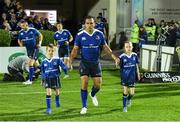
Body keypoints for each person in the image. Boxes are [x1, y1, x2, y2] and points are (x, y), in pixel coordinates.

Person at [69, 16, 118, 114]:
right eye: (87, 23)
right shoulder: (80, 35)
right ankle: (84, 107)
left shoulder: (99, 34)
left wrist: (114, 57)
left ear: (94, 24)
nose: (89, 25)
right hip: (85, 63)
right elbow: (75, 50)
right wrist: (70, 61)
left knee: (98, 86)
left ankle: (92, 94)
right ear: (84, 24)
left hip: (95, 63)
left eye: (91, 23)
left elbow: (105, 47)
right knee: (84, 83)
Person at [41, 44, 69, 114]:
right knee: (48, 93)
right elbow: (43, 72)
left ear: (55, 51)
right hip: (47, 79)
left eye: (52, 51)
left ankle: (57, 101)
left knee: (57, 92)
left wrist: (66, 71)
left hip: (55, 78)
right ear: (46, 51)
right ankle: (49, 109)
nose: (51, 52)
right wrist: (42, 80)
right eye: (49, 51)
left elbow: (63, 66)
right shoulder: (43, 61)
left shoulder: (57, 59)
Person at [117, 41, 140, 112]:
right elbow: (118, 66)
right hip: (124, 77)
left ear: (132, 47)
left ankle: (129, 99)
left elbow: (136, 65)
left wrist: (138, 73)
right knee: (125, 92)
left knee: (132, 93)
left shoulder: (134, 55)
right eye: (127, 47)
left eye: (130, 46)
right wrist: (117, 63)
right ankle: (124, 107)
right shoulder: (121, 57)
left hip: (132, 77)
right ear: (124, 48)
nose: (128, 48)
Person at [18, 19, 43, 85]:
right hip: (29, 51)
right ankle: (48, 69)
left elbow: (40, 35)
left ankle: (30, 80)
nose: (23, 26)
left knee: (30, 64)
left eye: (24, 25)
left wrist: (40, 43)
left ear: (27, 24)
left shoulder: (33, 30)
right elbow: (19, 39)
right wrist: (21, 44)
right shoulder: (21, 32)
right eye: (22, 25)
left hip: (35, 49)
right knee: (37, 66)